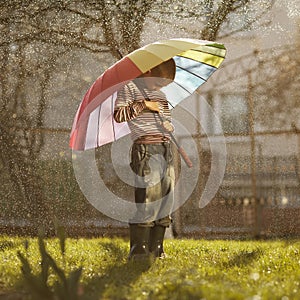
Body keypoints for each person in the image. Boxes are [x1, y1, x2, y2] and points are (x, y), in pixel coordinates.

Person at [114, 59, 176, 260]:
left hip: (165, 148)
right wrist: (144, 104)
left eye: (163, 86)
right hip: (145, 149)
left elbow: (167, 119)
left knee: (166, 198)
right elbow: (119, 115)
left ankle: (156, 248)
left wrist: (168, 125)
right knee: (148, 198)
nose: (159, 88)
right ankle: (138, 249)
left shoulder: (161, 96)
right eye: (157, 83)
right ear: (148, 71)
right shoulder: (129, 89)